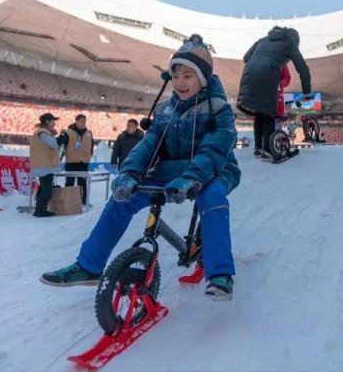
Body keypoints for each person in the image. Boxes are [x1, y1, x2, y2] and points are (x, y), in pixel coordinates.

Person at [40, 34, 241, 301]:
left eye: (188, 76)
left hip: (215, 168)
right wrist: (129, 173)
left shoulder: (218, 109)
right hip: (173, 169)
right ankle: (89, 266)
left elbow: (215, 148)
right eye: (175, 76)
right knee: (122, 199)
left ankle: (220, 274)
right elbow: (149, 144)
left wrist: (192, 178)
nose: (179, 83)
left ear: (202, 78)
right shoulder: (166, 111)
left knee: (212, 197)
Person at [236, 26, 311, 158]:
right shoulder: (289, 41)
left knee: (259, 113)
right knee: (269, 113)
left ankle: (258, 149)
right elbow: (302, 68)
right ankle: (267, 151)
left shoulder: (263, 39)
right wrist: (306, 92)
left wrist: (258, 63)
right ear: (296, 40)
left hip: (249, 75)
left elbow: (246, 57)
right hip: (267, 75)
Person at [29, 113, 62, 217]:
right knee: (46, 190)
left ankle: (39, 209)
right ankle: (40, 211)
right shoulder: (42, 133)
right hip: (45, 166)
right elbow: (54, 144)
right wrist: (62, 136)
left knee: (44, 188)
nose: (54, 123)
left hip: (44, 165)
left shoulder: (42, 133)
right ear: (47, 121)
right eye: (53, 121)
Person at [59, 114, 94, 205]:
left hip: (84, 162)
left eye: (85, 121)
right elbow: (61, 145)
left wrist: (89, 155)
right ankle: (67, 201)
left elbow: (91, 146)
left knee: (82, 183)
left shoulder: (89, 133)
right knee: (69, 182)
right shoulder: (68, 132)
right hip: (72, 162)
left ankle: (83, 201)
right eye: (82, 121)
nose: (84, 123)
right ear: (76, 121)